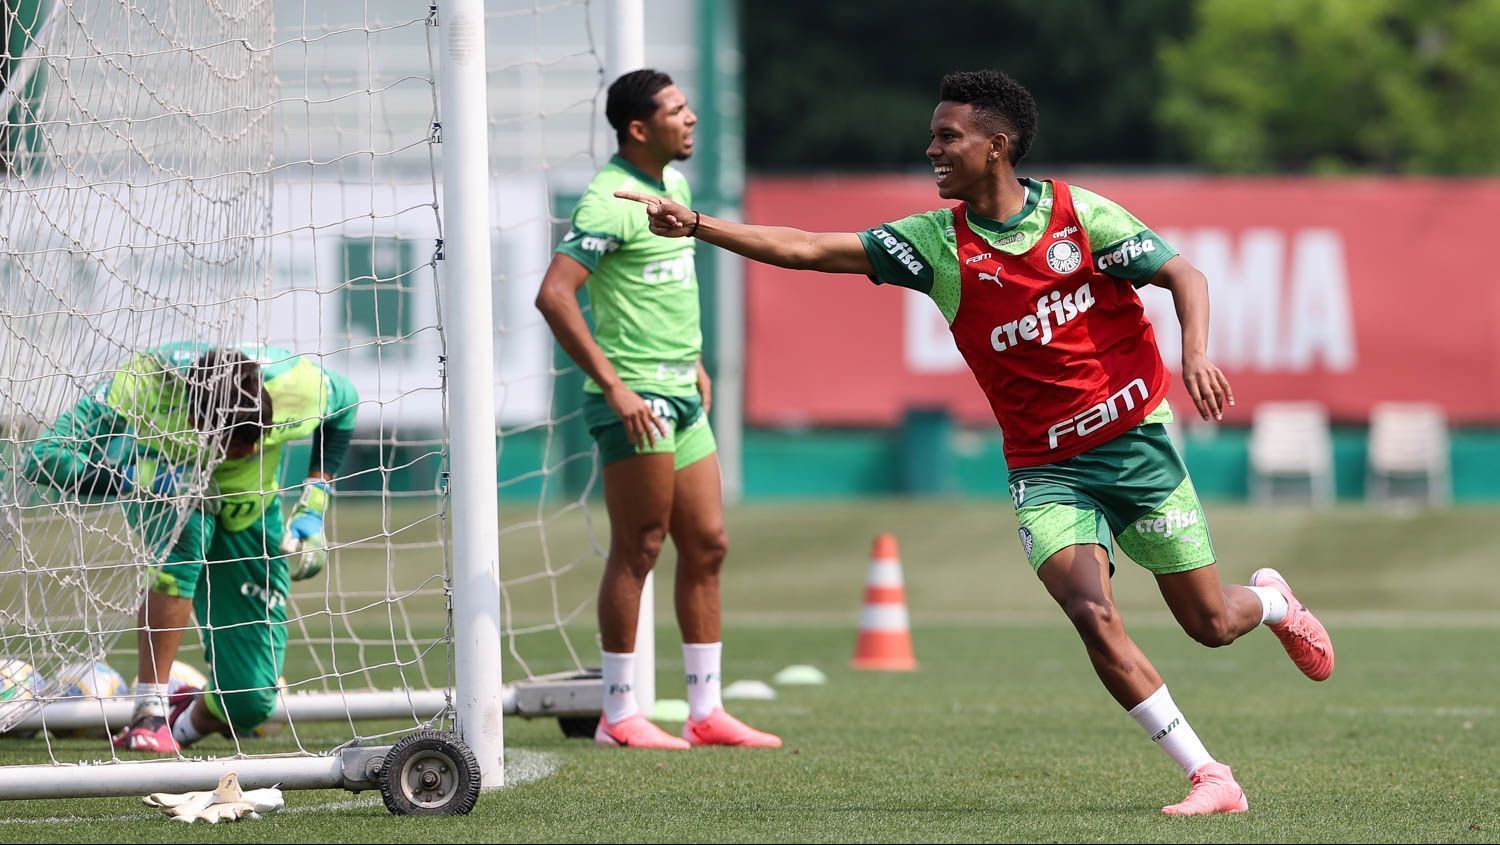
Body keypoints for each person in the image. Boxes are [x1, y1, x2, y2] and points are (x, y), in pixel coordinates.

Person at [616, 69, 1333, 810]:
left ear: (997, 146)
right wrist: (698, 224)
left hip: (1135, 446)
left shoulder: (1079, 216)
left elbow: (1184, 273)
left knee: (1211, 622)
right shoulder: (934, 244)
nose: (932, 149)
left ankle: (1275, 604)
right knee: (1091, 611)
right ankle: (1209, 773)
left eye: (946, 136)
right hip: (1046, 469)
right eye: (933, 136)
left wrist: (1195, 351)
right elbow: (804, 247)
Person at [535, 69, 780, 750]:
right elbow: (555, 295)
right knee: (639, 545)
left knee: (708, 544)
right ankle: (619, 712)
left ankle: (705, 710)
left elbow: (663, 285)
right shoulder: (607, 201)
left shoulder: (674, 186)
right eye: (677, 110)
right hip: (635, 400)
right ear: (639, 129)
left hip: (681, 392)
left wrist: (696, 361)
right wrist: (615, 386)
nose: (692, 117)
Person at [27, 342, 358, 753]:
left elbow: (346, 404)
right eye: (238, 443)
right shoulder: (140, 385)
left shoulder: (297, 384)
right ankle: (148, 711)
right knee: (187, 532)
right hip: (156, 477)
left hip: (251, 508)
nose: (253, 450)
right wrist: (136, 478)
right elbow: (41, 458)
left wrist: (314, 500)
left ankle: (178, 721)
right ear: (193, 421)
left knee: (250, 700)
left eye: (260, 437)